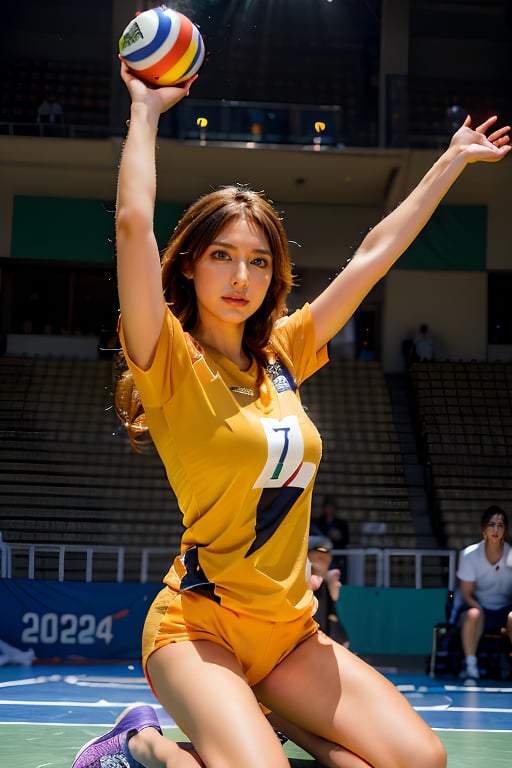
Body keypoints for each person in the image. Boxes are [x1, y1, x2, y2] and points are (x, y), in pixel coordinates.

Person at [71, 58, 510, 768]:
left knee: (421, 762)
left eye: (259, 261)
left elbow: (372, 256)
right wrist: (146, 110)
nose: (241, 277)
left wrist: (451, 162)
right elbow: (130, 226)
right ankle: (140, 743)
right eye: (221, 256)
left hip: (290, 634)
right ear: (189, 265)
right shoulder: (169, 359)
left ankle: (278, 718)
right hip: (198, 627)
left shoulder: (283, 350)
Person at [451, 505, 512, 681]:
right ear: (483, 529)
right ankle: (471, 666)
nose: (495, 529)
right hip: (479, 606)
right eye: (491, 524)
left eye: (500, 525)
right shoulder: (469, 555)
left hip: (505, 610)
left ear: (505, 530)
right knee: (473, 614)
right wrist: (480, 609)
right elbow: (467, 593)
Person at [308, 534, 350, 647]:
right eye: (318, 555)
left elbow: (332, 609)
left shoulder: (329, 580)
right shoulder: (303, 579)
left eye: (326, 555)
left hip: (322, 634)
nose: (324, 558)